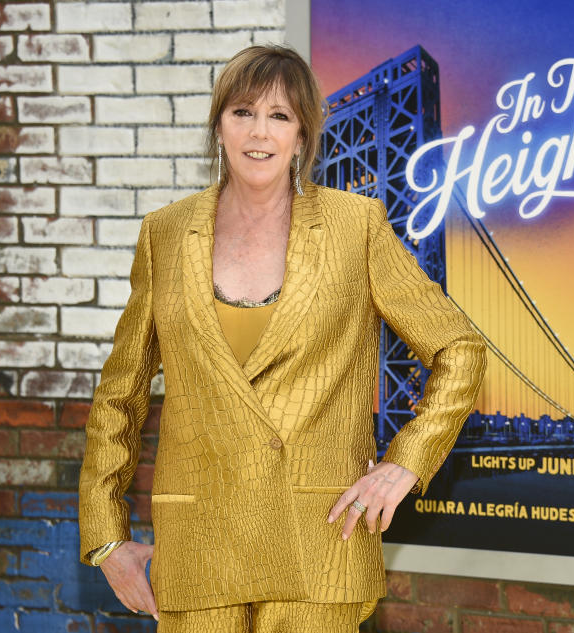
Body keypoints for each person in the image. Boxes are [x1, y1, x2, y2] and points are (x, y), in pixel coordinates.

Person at [78, 44, 487, 632]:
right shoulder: (164, 234)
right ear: (219, 126)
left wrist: (406, 463)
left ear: (302, 135)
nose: (259, 132)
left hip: (320, 541)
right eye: (242, 112)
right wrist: (106, 540)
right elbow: (121, 394)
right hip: (198, 550)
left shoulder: (356, 226)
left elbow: (459, 349)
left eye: (280, 116)